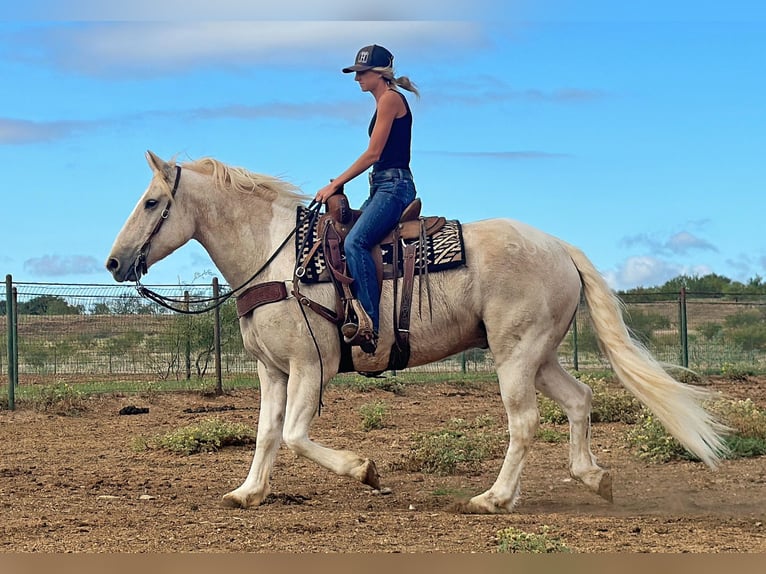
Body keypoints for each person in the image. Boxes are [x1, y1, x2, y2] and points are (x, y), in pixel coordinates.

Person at [315, 44, 419, 354]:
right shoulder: (384, 101)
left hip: (394, 186)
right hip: (382, 187)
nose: (357, 78)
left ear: (379, 73)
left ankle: (369, 323)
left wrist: (335, 184)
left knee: (354, 242)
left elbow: (374, 154)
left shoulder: (390, 99)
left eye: (361, 72)